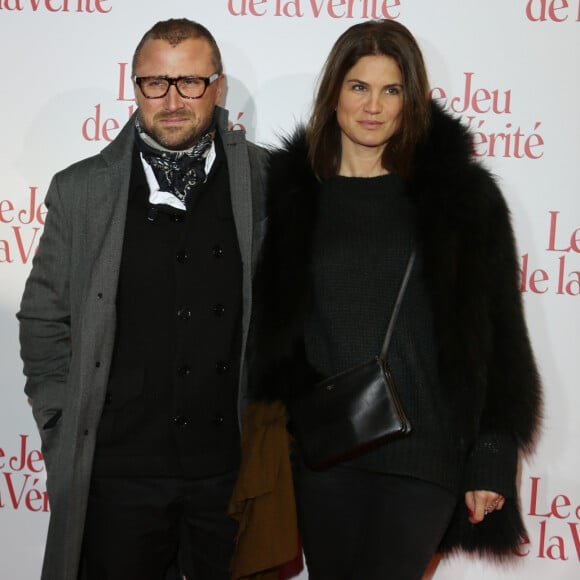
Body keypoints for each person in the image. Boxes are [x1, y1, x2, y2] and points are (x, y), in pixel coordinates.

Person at [247, 19, 542, 579]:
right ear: (333, 92)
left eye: (392, 89)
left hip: (423, 453)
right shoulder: (291, 195)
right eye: (359, 86)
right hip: (324, 450)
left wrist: (492, 455)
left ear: (413, 99)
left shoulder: (461, 199)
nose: (374, 106)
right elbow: (271, 328)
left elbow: (501, 338)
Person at [17, 18, 267, 580]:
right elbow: (42, 319)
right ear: (135, 88)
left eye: (190, 83)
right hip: (119, 475)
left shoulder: (264, 178)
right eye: (155, 83)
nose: (172, 100)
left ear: (218, 87)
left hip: (228, 474)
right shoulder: (81, 188)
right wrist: (61, 429)